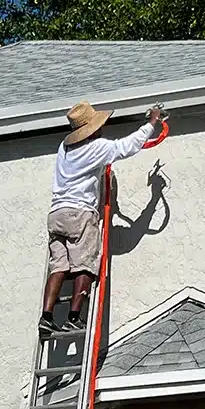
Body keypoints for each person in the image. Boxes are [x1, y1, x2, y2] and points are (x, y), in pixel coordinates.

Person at [38, 101, 165, 335]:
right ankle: (74, 317)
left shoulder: (64, 147)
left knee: (59, 266)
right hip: (80, 213)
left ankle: (46, 317)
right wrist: (152, 123)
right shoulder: (96, 148)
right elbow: (127, 146)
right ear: (93, 128)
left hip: (57, 214)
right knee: (84, 265)